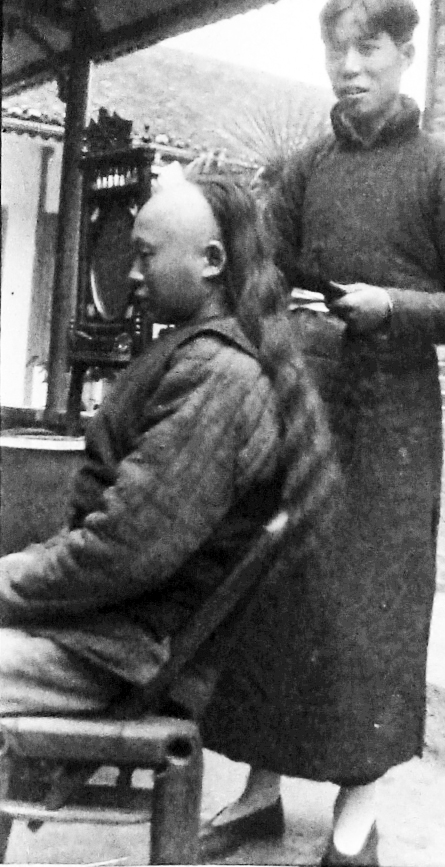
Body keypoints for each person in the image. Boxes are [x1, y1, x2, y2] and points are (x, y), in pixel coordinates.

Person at [199, 0, 445, 866]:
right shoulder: (306, 170)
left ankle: (354, 819)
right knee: (274, 593)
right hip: (305, 407)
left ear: (404, 54)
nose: (348, 67)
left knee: (371, 614)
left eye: (367, 49)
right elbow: (263, 273)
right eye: (336, 50)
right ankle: (259, 795)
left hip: (394, 424)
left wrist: (395, 307)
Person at [0, 174, 342, 741]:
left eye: (146, 255)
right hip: (95, 632)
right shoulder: (203, 353)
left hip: (111, 654)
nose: (132, 275)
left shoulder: (221, 375)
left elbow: (125, 550)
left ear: (211, 261)